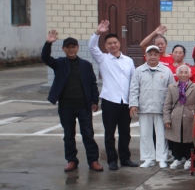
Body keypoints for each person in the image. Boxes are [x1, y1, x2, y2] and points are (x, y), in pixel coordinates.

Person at [43, 30, 103, 172]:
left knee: (88, 134)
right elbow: (45, 58)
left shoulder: (86, 65)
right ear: (63, 49)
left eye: (73, 47)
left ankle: (93, 160)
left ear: (77, 48)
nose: (71, 49)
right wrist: (48, 43)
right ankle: (71, 160)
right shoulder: (59, 63)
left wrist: (95, 101)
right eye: (68, 47)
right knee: (69, 135)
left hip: (83, 105)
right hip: (66, 106)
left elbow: (92, 83)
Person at [89, 20, 137, 170]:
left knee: (125, 132)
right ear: (105, 46)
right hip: (110, 101)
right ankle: (112, 160)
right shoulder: (103, 58)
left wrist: (134, 102)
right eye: (109, 43)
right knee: (110, 133)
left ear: (119, 44)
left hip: (125, 101)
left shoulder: (128, 61)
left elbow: (134, 81)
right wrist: (98, 32)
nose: (113, 45)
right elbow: (91, 47)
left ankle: (125, 158)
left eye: (115, 43)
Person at [130, 45, 173, 168]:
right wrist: (133, 104)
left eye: (155, 54)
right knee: (145, 134)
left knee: (161, 135)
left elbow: (172, 89)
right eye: (150, 54)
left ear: (159, 56)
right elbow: (134, 88)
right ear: (146, 56)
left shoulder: (166, 71)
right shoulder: (139, 71)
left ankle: (162, 158)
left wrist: (170, 107)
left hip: (161, 108)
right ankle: (148, 158)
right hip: (145, 107)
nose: (153, 57)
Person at [163, 65, 195, 170]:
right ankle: (177, 158)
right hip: (176, 116)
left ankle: (189, 159)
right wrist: (167, 119)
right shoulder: (172, 87)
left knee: (189, 139)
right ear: (177, 74)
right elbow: (167, 104)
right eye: (181, 72)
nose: (183, 75)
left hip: (190, 117)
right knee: (176, 139)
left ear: (189, 74)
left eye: (186, 72)